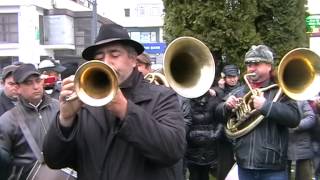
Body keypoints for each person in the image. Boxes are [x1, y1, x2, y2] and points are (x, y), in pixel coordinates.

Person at [42, 23, 186, 180]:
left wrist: (125, 109)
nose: (107, 62)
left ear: (133, 60)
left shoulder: (163, 97)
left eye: (114, 54)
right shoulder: (85, 99)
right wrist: (65, 120)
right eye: (100, 57)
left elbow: (172, 151)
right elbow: (54, 160)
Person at [215, 45, 300, 180]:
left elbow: (294, 118)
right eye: (248, 64)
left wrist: (266, 106)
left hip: (273, 167)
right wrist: (226, 106)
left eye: (256, 64)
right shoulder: (240, 91)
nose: (251, 68)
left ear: (269, 66)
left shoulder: (280, 91)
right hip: (244, 164)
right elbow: (217, 113)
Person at [0, 64, 59, 179]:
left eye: (38, 81)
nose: (36, 86)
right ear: (18, 88)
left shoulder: (59, 107)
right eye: (28, 83)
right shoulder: (7, 120)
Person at [213, 64, 241, 180]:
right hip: (224, 136)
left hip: (239, 134)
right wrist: (220, 90)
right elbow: (215, 110)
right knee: (224, 168)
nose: (233, 79)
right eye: (229, 77)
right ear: (224, 78)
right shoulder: (217, 91)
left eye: (234, 76)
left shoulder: (243, 90)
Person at [287, 100, 315, 180]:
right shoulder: (279, 101)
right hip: (284, 146)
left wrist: (296, 125)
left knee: (305, 175)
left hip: (303, 147)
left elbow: (311, 118)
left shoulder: (302, 101)